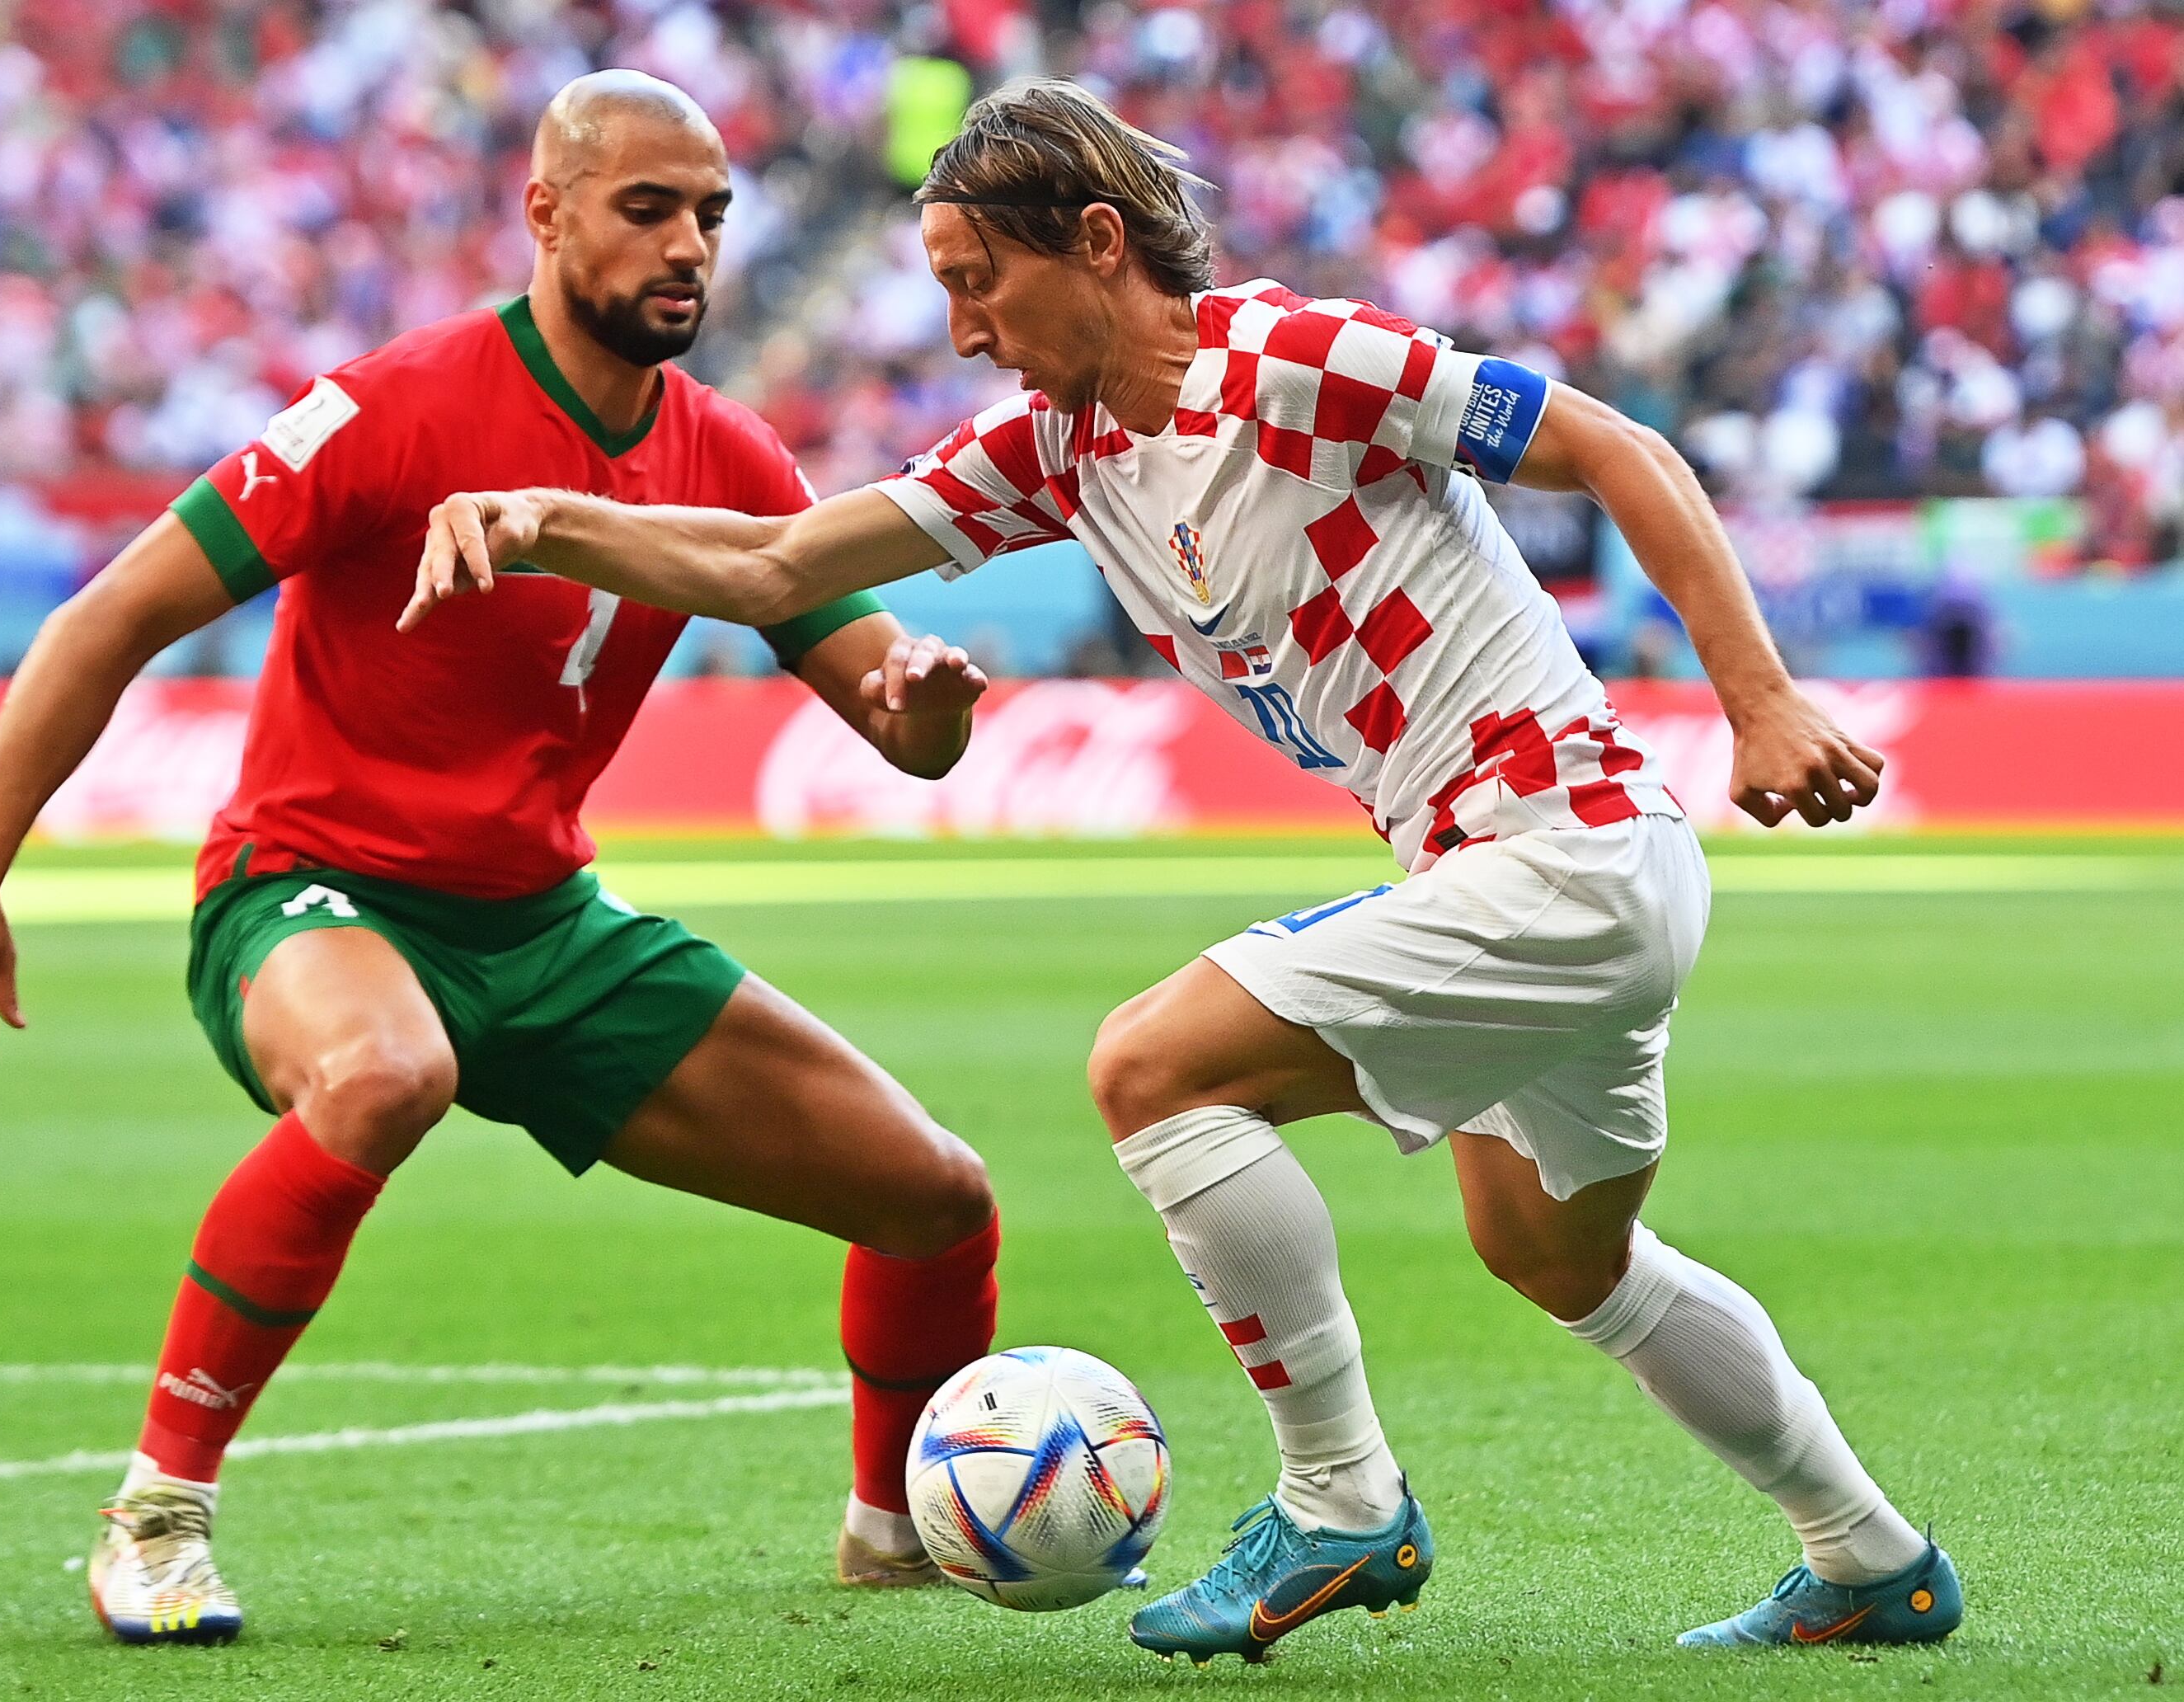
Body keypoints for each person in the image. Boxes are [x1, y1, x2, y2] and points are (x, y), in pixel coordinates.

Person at [403, 78, 1963, 1663]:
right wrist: (541, 522)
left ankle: (1342, 1500)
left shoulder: (1291, 359)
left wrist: (1759, 701)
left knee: (1152, 1068)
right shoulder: (1060, 451)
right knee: (1558, 1252)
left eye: (977, 282)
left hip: (1558, 844)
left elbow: (1614, 448)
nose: (961, 330)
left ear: (1093, 242)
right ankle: (1869, 1557)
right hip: (1515, 873)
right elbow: (776, 561)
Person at [0, 73, 1005, 1646]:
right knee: (382, 1073)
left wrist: (926, 708)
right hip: (307, 895)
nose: (688, 246)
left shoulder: (734, 462)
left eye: (711, 216)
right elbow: (107, 620)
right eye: (646, 210)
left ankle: (894, 1527)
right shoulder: (391, 408)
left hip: (545, 925)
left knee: (936, 1197)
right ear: (545, 215)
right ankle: (156, 1516)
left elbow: (901, 727)